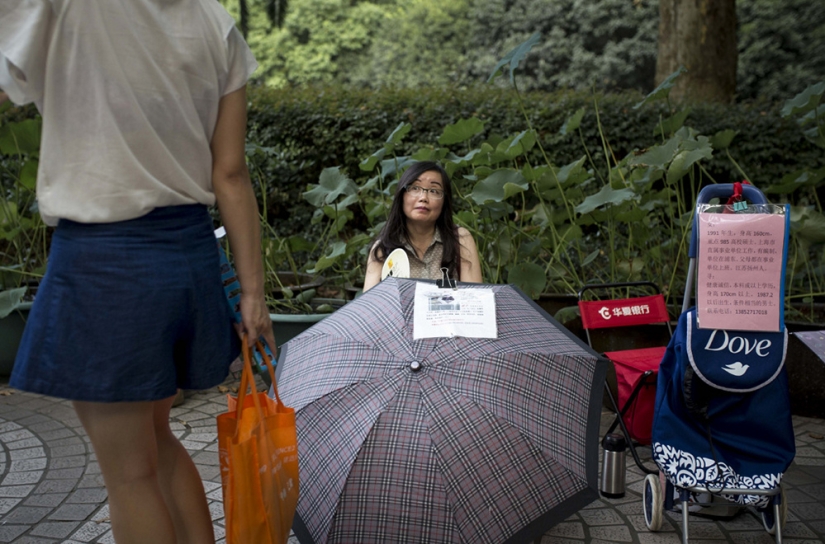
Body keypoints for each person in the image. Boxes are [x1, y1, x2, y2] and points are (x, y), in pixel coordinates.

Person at [0, 2, 275, 543]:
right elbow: (231, 173)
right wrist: (252, 292)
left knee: (129, 475)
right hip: (191, 256)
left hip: (105, 264)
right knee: (158, 442)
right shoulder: (213, 21)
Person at [363, 161, 482, 291]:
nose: (423, 197)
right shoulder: (383, 248)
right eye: (415, 188)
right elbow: (369, 307)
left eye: (433, 191)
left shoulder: (460, 239)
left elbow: (475, 298)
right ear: (401, 196)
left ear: (444, 202)